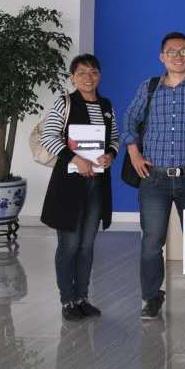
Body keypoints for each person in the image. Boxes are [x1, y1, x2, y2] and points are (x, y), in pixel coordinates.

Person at [122, 32, 185, 321]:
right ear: (162, 57)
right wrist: (134, 154)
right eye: (171, 51)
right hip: (155, 180)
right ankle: (151, 298)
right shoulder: (148, 87)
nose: (178, 56)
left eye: (184, 51)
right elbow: (129, 120)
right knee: (151, 243)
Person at [40, 54, 120, 321]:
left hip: (97, 185)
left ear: (100, 76)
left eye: (94, 72)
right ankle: (67, 301)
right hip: (69, 186)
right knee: (69, 246)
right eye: (82, 73)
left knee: (87, 245)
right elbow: (48, 136)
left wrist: (110, 155)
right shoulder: (65, 102)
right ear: (72, 77)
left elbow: (115, 138)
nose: (88, 77)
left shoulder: (106, 105)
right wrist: (75, 159)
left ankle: (82, 298)